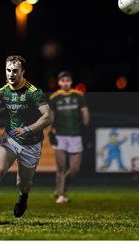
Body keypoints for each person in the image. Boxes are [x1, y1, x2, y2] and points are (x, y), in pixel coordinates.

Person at [0, 55, 54, 224]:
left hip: (31, 144)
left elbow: (48, 118)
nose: (11, 74)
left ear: (23, 72)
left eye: (15, 71)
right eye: (8, 70)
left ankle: (23, 196)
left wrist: (28, 129)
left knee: (23, 183)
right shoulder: (3, 92)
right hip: (10, 139)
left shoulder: (33, 93)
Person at [48, 71, 89, 204]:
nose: (65, 83)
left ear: (71, 82)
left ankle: (63, 188)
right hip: (60, 135)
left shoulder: (78, 96)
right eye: (63, 80)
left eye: (68, 80)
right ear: (59, 82)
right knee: (61, 167)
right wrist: (50, 131)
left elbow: (85, 113)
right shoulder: (54, 97)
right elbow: (50, 117)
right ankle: (60, 194)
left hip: (76, 135)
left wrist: (85, 128)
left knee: (74, 170)